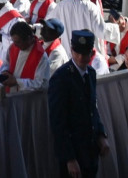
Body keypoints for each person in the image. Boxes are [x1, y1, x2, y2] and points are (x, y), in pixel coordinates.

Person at [47, 30, 109, 178]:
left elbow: (92, 108)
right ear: (71, 50)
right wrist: (69, 158)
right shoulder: (61, 78)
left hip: (91, 149)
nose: (81, 57)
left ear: (91, 53)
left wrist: (101, 134)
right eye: (77, 52)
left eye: (85, 53)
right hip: (74, 151)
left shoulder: (91, 74)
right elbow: (58, 122)